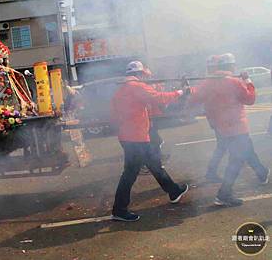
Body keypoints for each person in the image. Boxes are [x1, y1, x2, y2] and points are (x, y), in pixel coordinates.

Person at [110, 61, 189, 222]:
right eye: (144, 75)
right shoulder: (137, 87)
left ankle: (173, 191)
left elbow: (116, 113)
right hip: (136, 137)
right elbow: (159, 98)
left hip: (128, 136)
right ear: (139, 74)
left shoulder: (121, 90)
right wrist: (180, 92)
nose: (145, 78)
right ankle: (119, 209)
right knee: (130, 174)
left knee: (153, 165)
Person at [189, 54, 270, 206]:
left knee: (247, 151)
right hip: (237, 127)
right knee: (236, 160)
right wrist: (248, 81)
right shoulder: (234, 82)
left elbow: (193, 101)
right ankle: (224, 194)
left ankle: (262, 173)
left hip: (220, 128)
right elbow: (250, 99)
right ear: (228, 67)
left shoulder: (206, 84)